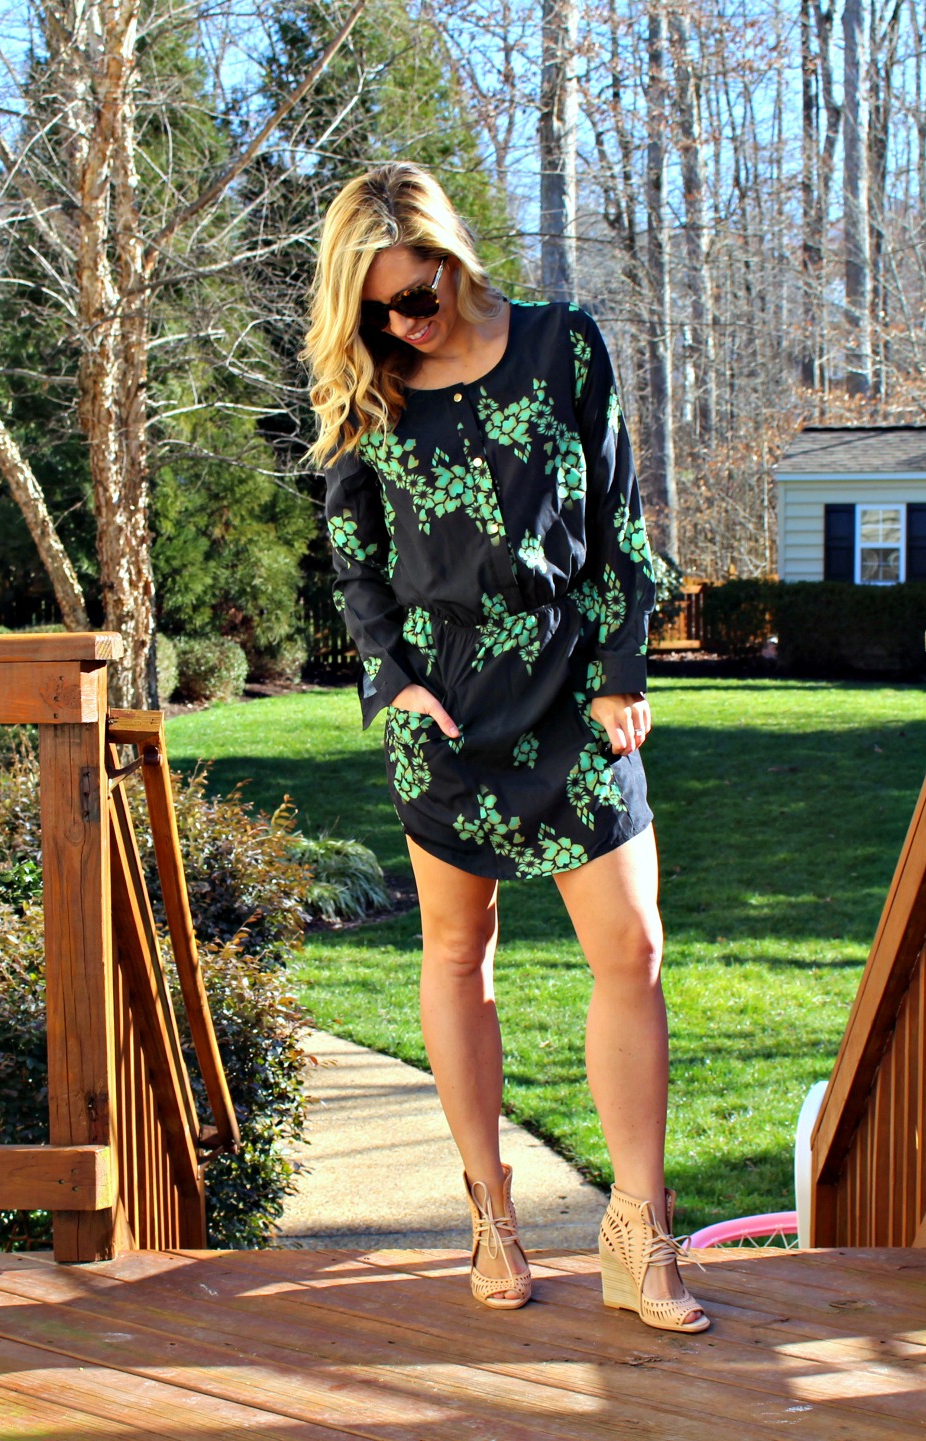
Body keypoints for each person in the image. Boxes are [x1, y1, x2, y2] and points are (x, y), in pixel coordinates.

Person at [302, 162, 707, 1334]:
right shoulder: (371, 388)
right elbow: (353, 557)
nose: (400, 323)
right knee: (454, 948)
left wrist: (624, 671)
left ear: (452, 261)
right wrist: (393, 679)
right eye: (375, 309)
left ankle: (638, 1231)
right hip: (448, 709)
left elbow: (622, 524)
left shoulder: (563, 347)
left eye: (414, 296)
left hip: (573, 692)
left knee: (631, 950)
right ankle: (488, 1209)